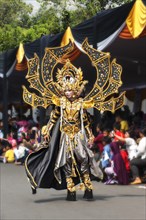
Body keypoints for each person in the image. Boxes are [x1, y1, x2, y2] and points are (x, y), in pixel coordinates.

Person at [23, 41, 125, 201]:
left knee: (84, 158)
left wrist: (90, 134)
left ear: (77, 88)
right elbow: (54, 117)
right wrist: (47, 129)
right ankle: (70, 189)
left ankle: (88, 186)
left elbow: (85, 120)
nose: (70, 92)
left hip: (79, 134)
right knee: (66, 162)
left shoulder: (80, 104)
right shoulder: (60, 102)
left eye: (72, 89)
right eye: (67, 89)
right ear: (63, 89)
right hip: (64, 136)